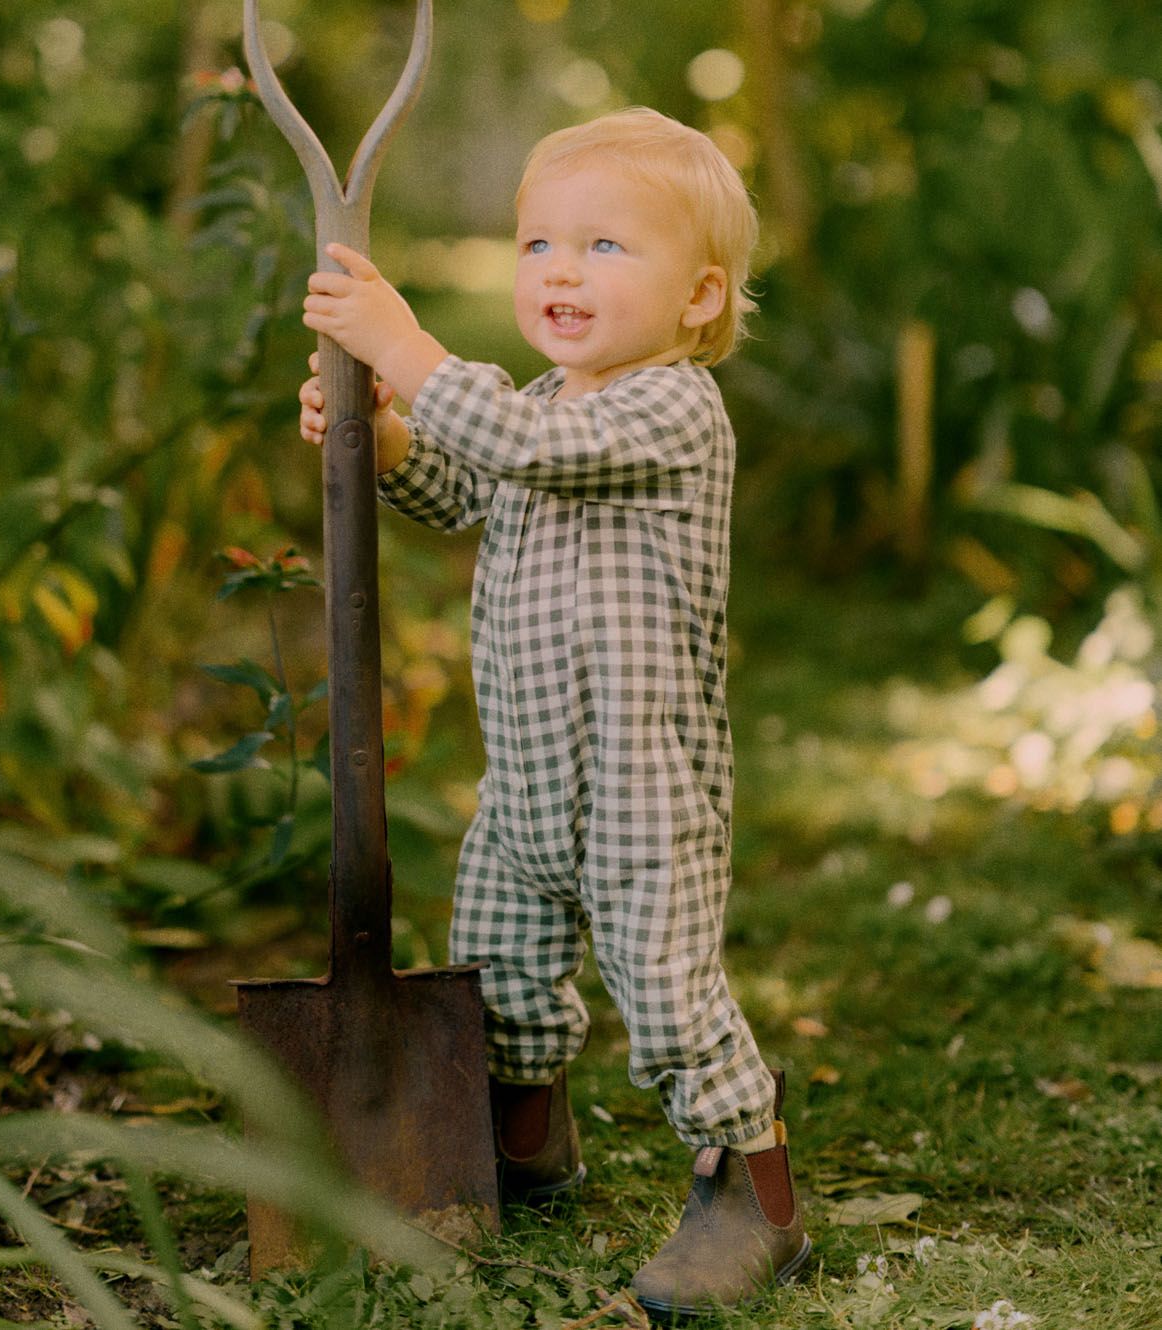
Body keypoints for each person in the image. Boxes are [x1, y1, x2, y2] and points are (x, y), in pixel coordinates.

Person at [298, 106, 811, 1314]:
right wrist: (382, 441)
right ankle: (524, 1145)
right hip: (528, 782)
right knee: (502, 979)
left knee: (669, 996)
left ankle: (758, 1196)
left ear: (697, 297)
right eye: (537, 245)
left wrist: (407, 347)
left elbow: (522, 444)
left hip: (643, 786)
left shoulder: (672, 408)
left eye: (604, 247)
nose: (560, 270)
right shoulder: (544, 398)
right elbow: (463, 480)